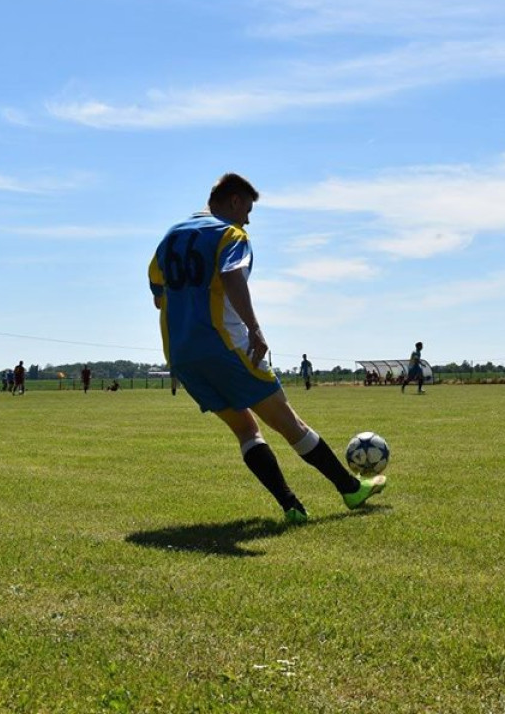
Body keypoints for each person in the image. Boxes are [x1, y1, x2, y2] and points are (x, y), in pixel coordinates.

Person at [148, 172, 385, 524]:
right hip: (225, 346)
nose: (248, 218)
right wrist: (255, 330)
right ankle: (351, 489)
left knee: (246, 430)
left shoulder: (169, 239)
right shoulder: (230, 234)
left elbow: (157, 296)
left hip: (181, 355)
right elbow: (231, 277)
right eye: (247, 209)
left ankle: (292, 506)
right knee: (290, 424)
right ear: (233, 201)